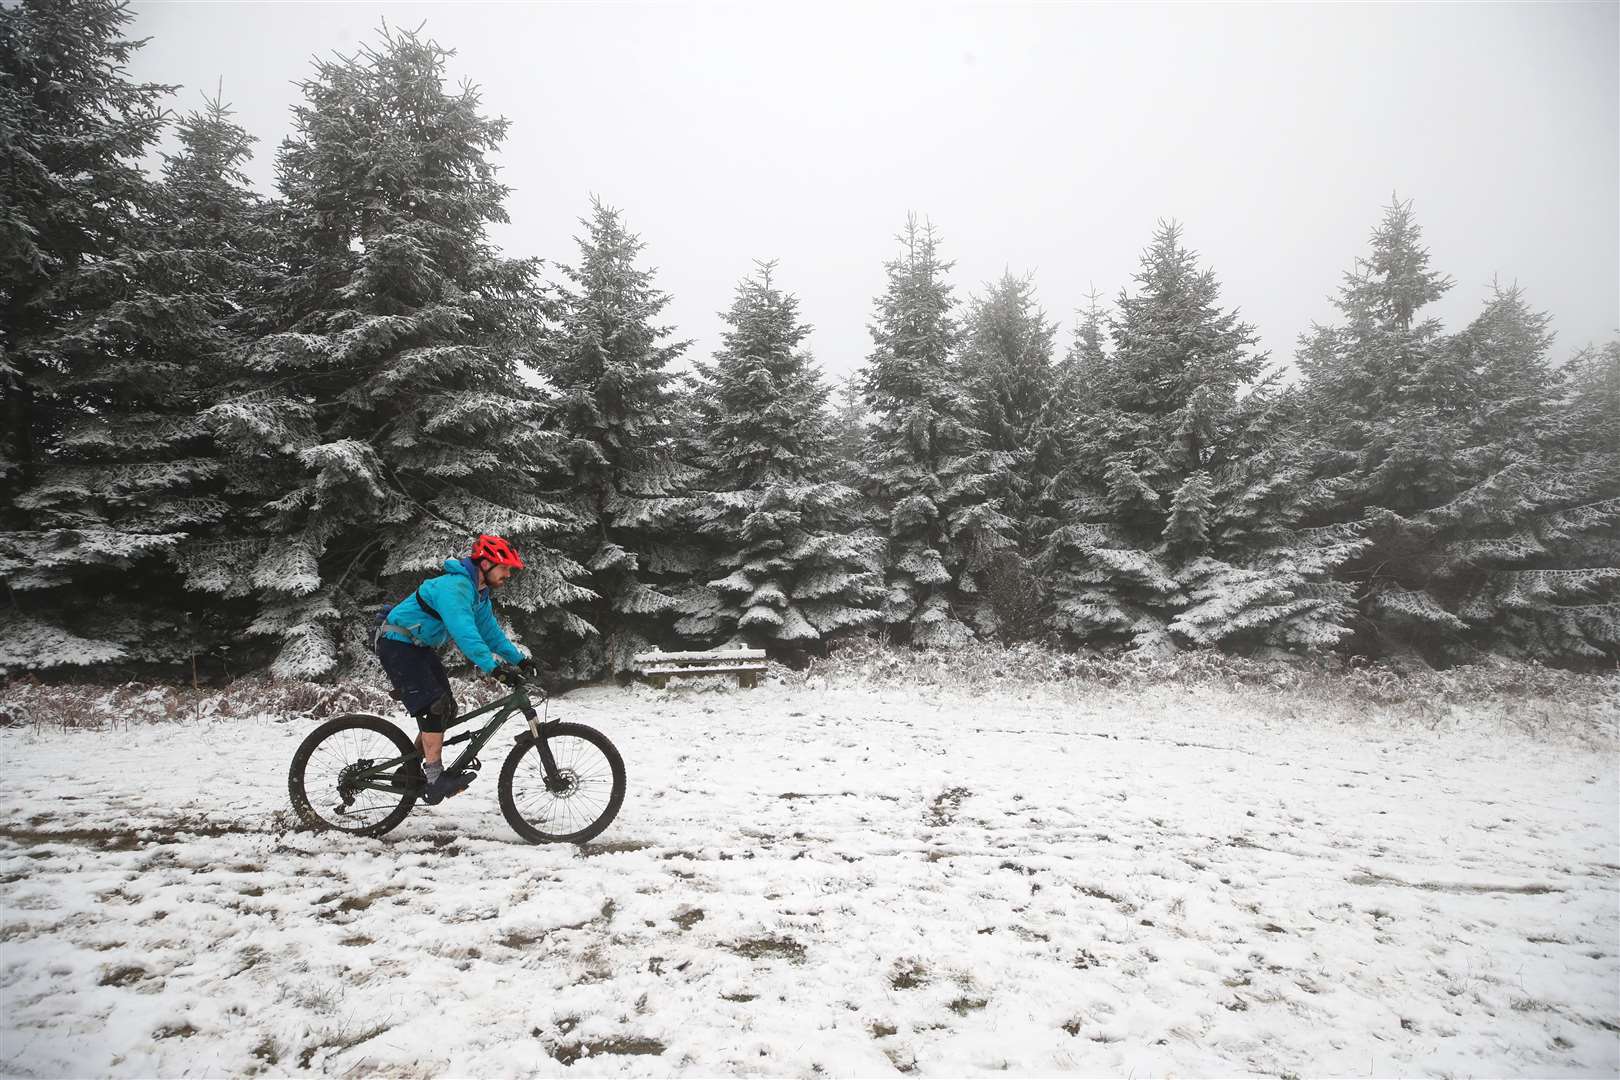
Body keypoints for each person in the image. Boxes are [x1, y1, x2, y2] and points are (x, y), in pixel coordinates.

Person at [375, 534, 534, 804]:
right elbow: (465, 633)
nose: (508, 573)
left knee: (445, 709)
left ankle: (411, 772)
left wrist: (520, 660)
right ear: (485, 564)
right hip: (396, 643)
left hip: (418, 647)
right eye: (504, 567)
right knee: (433, 706)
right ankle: (435, 779)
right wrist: (493, 668)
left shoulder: (479, 594)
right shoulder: (456, 587)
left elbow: (490, 634)